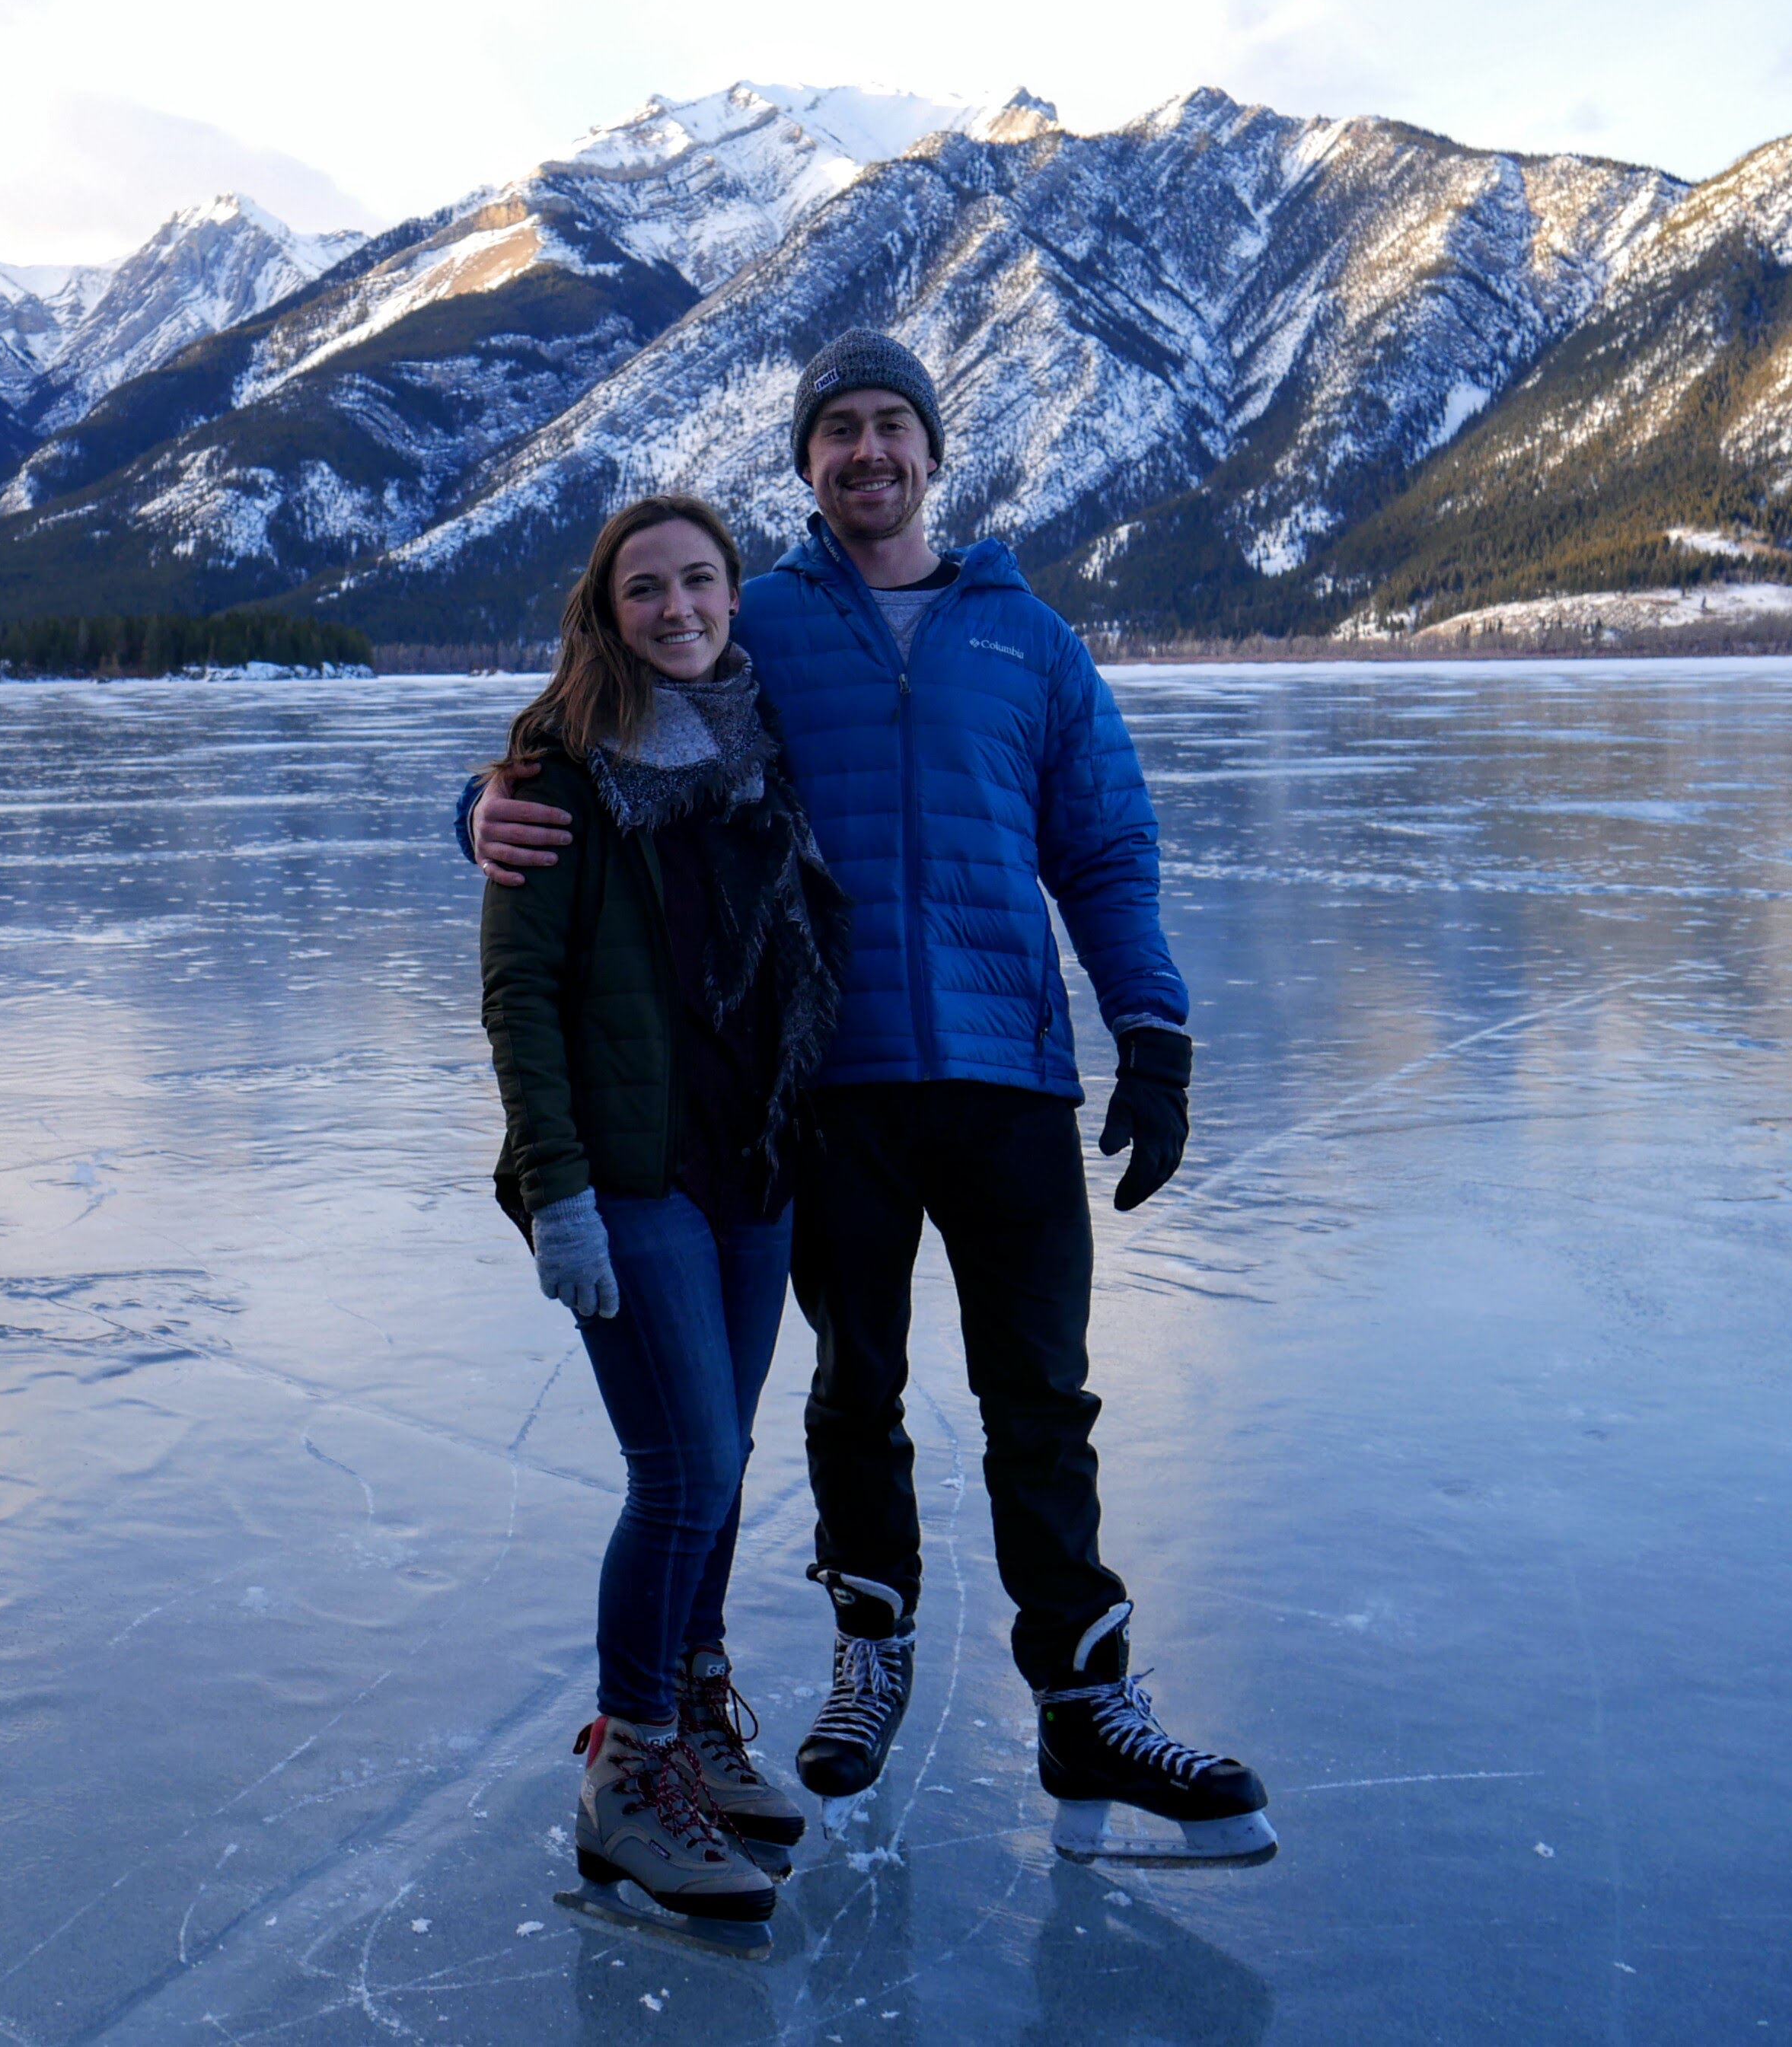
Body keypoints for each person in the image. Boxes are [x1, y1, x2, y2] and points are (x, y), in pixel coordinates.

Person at [465, 331, 1276, 1867]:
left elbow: (1105, 845)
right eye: (834, 428)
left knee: (1042, 1399)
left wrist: (1152, 1030)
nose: (865, 451)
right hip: (826, 1088)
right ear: (805, 461)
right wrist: (484, 808)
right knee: (854, 1391)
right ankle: (871, 1648)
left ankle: (1084, 1697)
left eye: (890, 423)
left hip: (1008, 1075)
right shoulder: (757, 621)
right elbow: (602, 733)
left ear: (931, 450)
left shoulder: (1026, 637)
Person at [477, 492, 851, 1923]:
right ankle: (628, 1775)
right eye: (647, 588)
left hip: (752, 1164)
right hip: (630, 1176)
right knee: (683, 1471)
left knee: (725, 1462)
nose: (678, 607)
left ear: (735, 597)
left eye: (701, 580)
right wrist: (558, 1195)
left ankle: (691, 1716)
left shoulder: (761, 750)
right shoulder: (556, 775)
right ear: (605, 610)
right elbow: (520, 997)